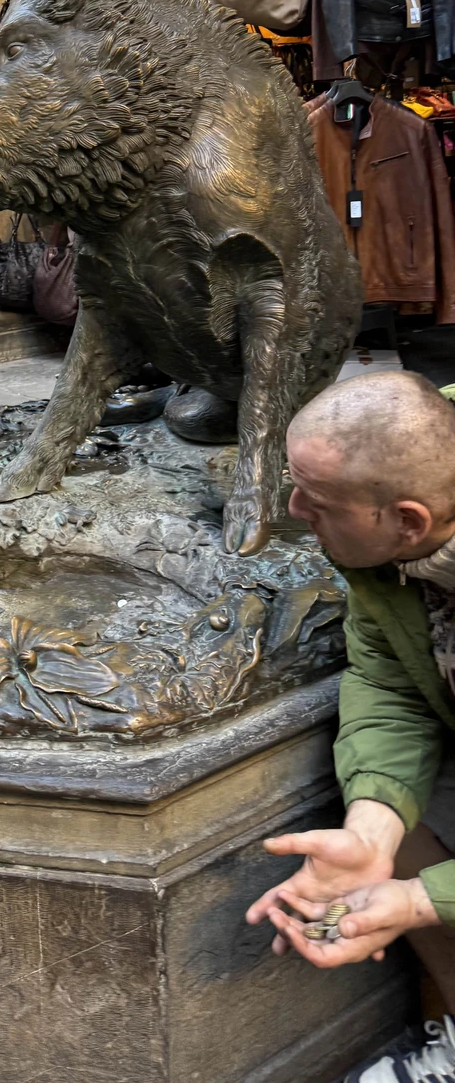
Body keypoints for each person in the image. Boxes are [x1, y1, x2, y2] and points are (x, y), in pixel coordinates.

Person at [246, 371, 455, 1083]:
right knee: (403, 823)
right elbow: (390, 679)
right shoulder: (393, 521)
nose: (292, 508)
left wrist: (425, 898)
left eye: (317, 499)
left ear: (408, 521)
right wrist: (373, 828)